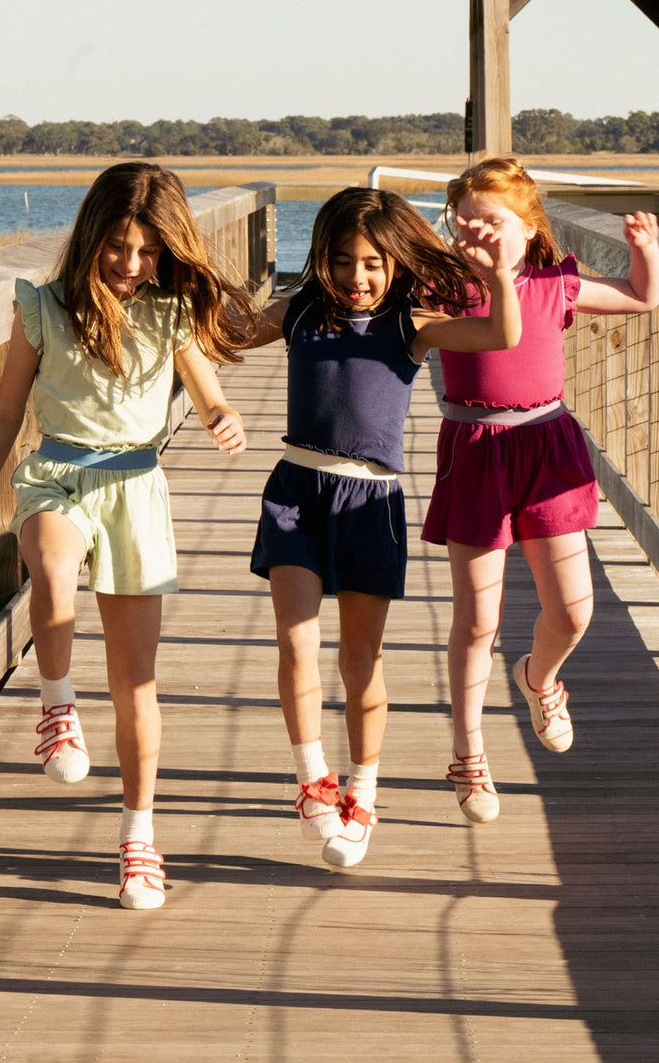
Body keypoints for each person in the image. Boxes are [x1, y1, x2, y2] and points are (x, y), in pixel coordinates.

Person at [0, 162, 253, 909]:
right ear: (92, 236)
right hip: (55, 475)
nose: (130, 264)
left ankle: (139, 839)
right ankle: (57, 709)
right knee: (51, 571)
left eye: (148, 251)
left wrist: (220, 417)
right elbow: (1, 414)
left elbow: (207, 388)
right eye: (117, 246)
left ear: (168, 253)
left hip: (135, 488)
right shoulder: (44, 307)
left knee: (135, 685)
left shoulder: (170, 311)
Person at [246, 187, 522, 867]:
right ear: (322, 261)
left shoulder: (411, 323)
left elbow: (500, 334)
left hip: (370, 503)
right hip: (295, 490)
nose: (356, 278)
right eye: (341, 262)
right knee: (295, 642)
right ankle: (313, 780)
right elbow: (225, 333)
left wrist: (495, 275)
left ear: (396, 263)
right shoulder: (303, 310)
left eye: (372, 263)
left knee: (359, 660)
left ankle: (361, 795)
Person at [421, 155, 659, 824]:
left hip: (547, 446)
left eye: (490, 225)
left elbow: (641, 298)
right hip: (474, 448)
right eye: (463, 226)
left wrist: (646, 252)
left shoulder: (556, 279)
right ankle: (468, 754)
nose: (475, 238)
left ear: (529, 226)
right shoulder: (442, 283)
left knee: (575, 611)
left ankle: (540, 679)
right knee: (476, 619)